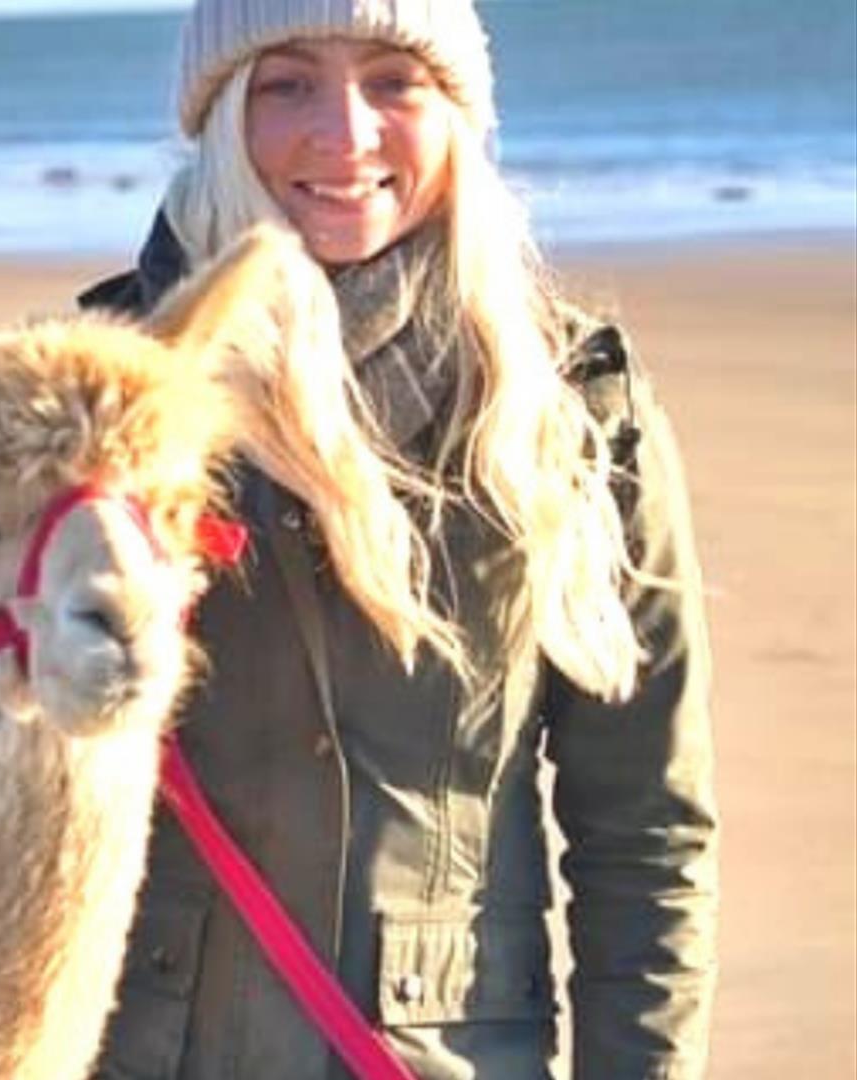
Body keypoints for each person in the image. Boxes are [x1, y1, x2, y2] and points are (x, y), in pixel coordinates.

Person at [81, 2, 719, 1078]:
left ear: (458, 112)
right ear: (219, 113)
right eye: (285, 83)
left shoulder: (572, 406)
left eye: (394, 80)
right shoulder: (106, 392)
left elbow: (647, 832)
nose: (345, 132)